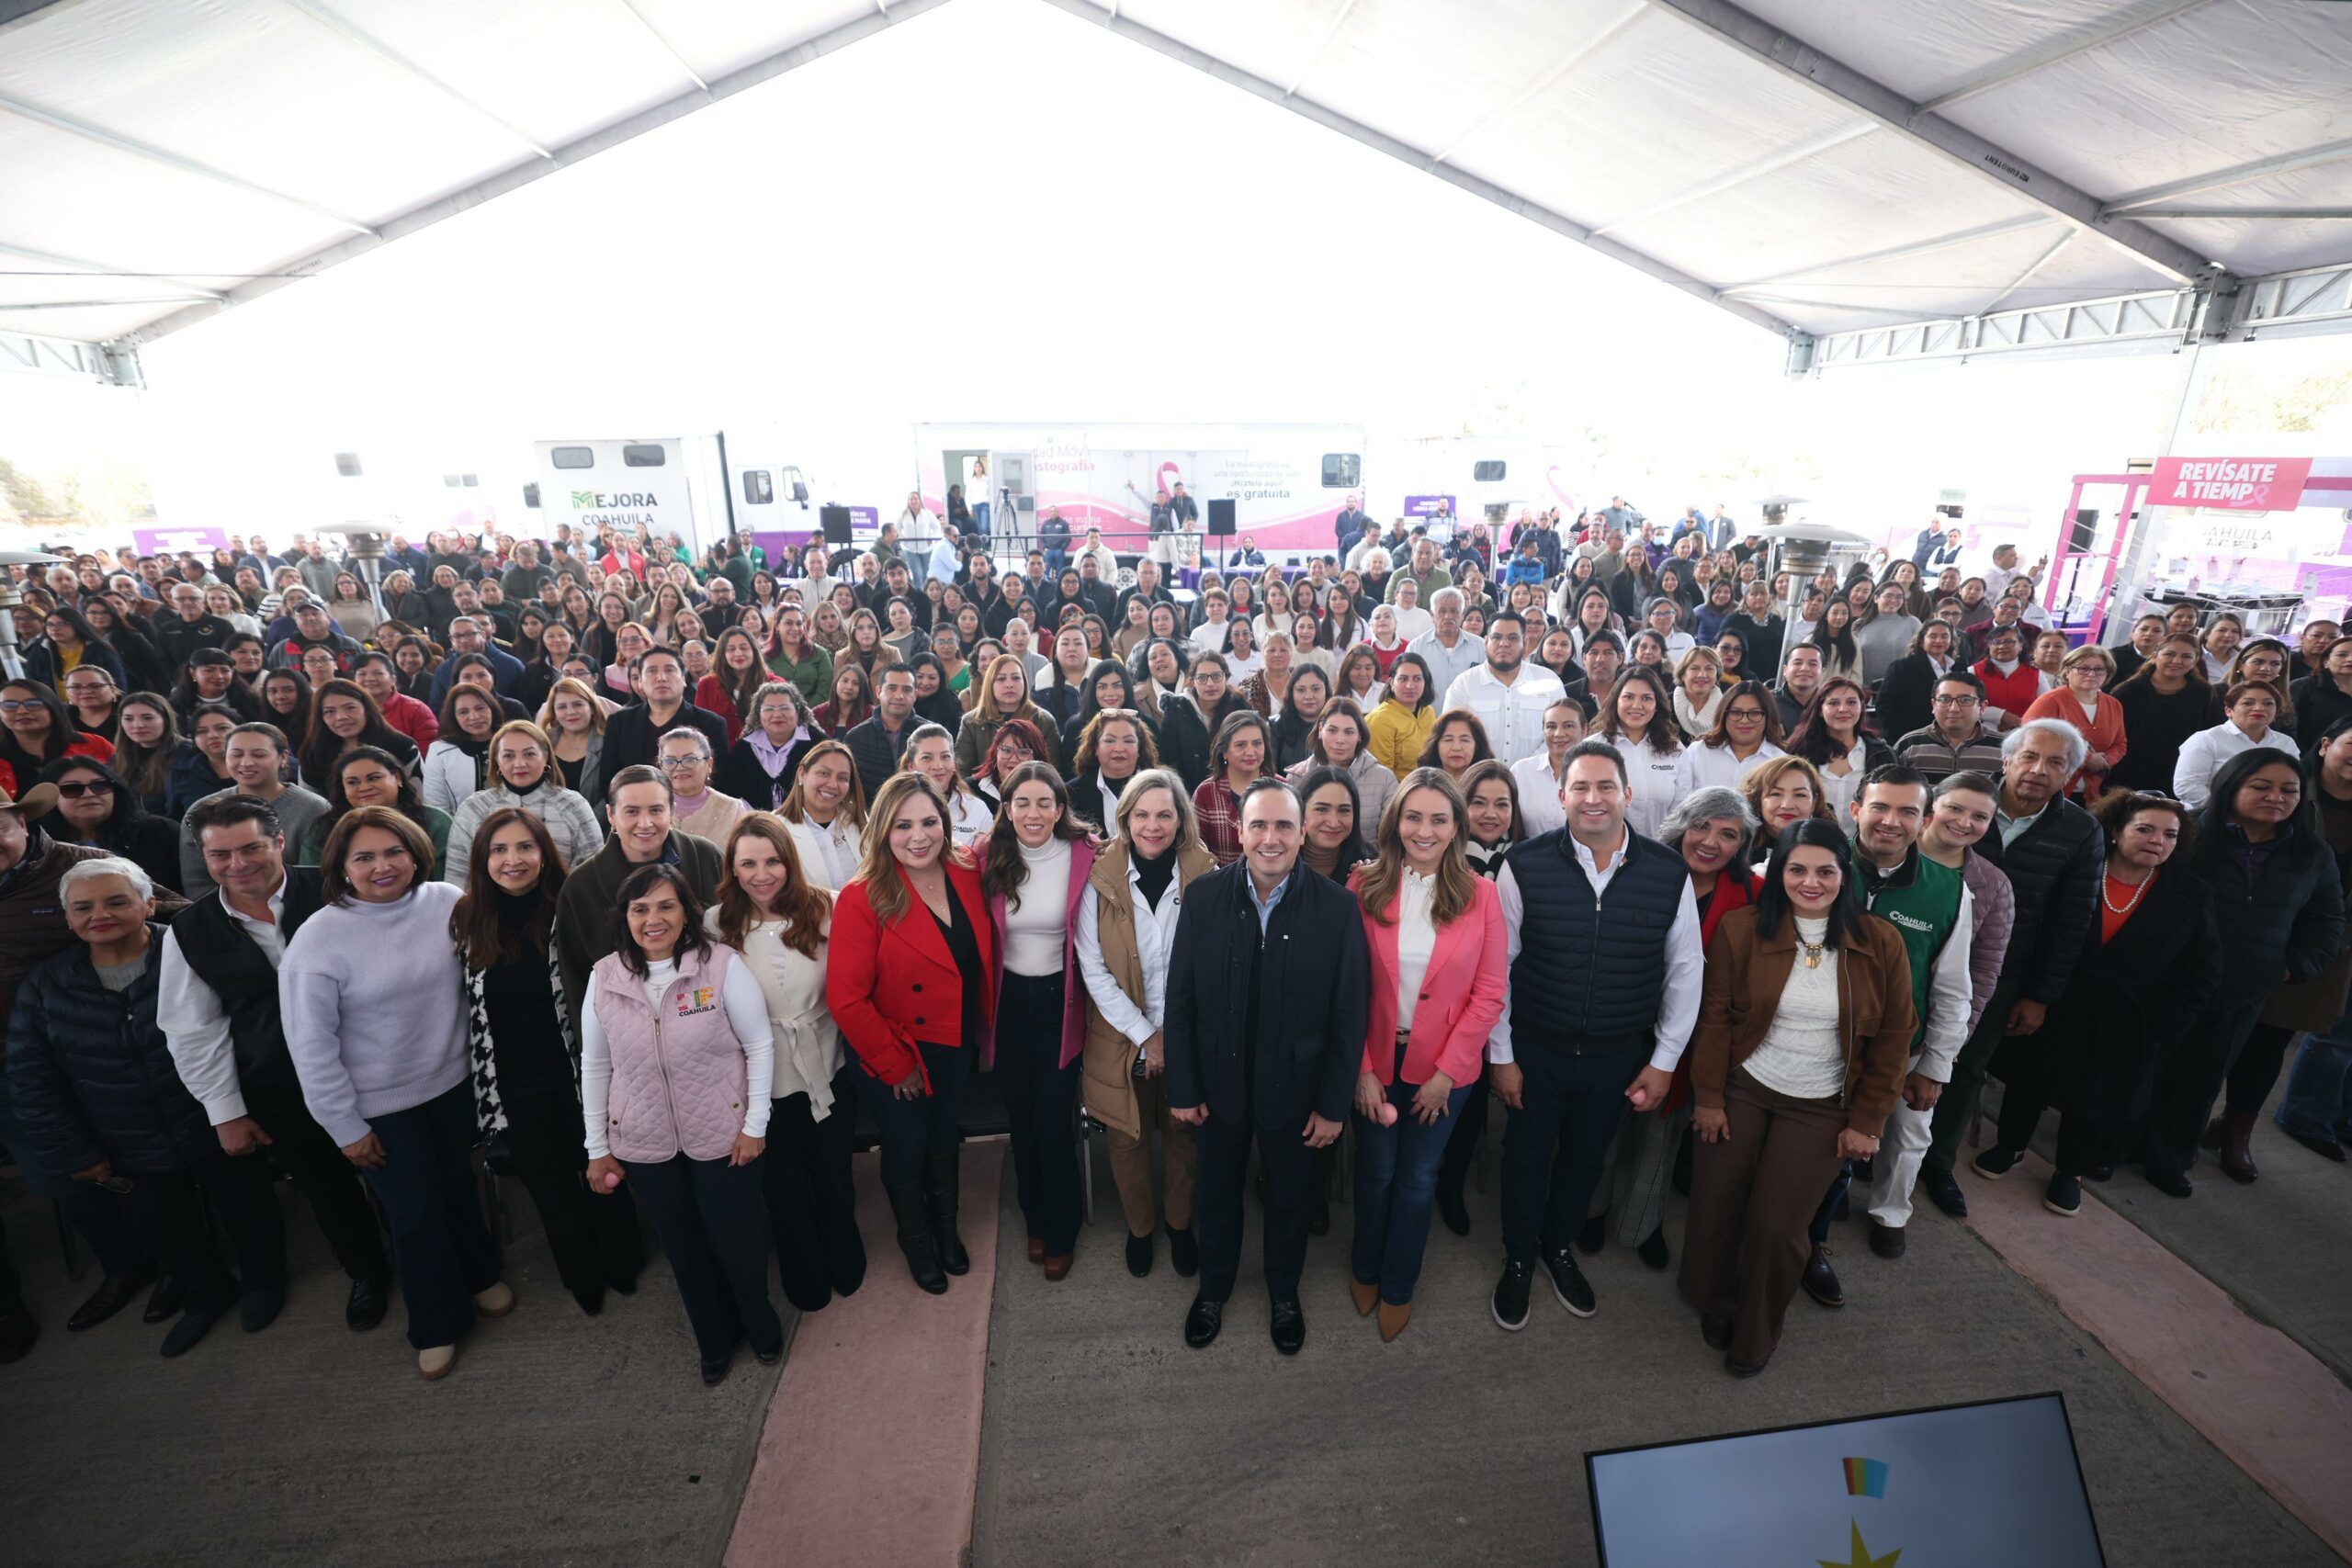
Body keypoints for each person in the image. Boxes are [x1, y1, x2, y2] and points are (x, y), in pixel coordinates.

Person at [1680, 819, 1917, 1374]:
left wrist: (1868, 1120)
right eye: (1797, 870)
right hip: (1744, 1088)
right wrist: (1709, 1096)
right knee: (1716, 1204)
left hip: (1822, 1104)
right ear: (1777, 871)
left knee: (1777, 1226)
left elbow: (1895, 1037)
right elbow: (1713, 1019)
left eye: (1825, 871)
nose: (1811, 883)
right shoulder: (1741, 930)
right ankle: (1714, 1300)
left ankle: (1756, 1331)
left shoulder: (1881, 942)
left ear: (1845, 876)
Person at [6, 856, 265, 1357]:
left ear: (148, 903)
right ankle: (207, 1296)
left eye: (117, 901)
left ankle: (264, 1285)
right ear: (67, 917)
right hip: (124, 1140)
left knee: (248, 1210)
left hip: (213, 1119)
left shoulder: (191, 948)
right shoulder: (45, 984)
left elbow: (251, 1028)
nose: (99, 914)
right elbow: (31, 1080)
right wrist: (76, 1153)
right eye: (84, 907)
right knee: (166, 1229)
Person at [280, 807, 506, 1379]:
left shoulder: (445, 901)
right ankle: (436, 1323)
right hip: (379, 1107)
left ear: (415, 852)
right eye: (364, 857)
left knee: (458, 1188)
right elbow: (310, 1046)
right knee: (413, 1215)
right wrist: (345, 1129)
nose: (382, 866)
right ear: (341, 865)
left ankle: (481, 1275)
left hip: (452, 1086)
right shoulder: (318, 939)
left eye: (393, 852)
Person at [1487, 740, 1703, 1329]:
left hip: (1616, 1054)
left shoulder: (1668, 872)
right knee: (1526, 1157)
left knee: (1586, 1161)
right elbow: (1498, 971)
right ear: (1560, 797)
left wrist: (1663, 1062)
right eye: (1580, 787)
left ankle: (1557, 1249)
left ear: (1627, 795)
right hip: (1535, 1049)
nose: (1593, 798)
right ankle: (1518, 1259)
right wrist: (1501, 1057)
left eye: (1606, 786)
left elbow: (1686, 971)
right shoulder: (1523, 865)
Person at [1165, 779, 1370, 1355]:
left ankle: (1284, 1293)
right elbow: (1179, 1001)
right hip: (1217, 1087)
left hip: (1298, 1094)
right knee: (1219, 1197)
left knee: (1290, 1200)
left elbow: (1348, 1016)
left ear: (1302, 832)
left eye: (1283, 826)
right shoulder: (1203, 897)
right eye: (1259, 825)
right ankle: (1213, 1291)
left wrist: (1333, 1106)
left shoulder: (1338, 907)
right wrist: (1182, 1086)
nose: (1271, 838)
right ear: (1240, 831)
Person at [580, 863, 780, 1382]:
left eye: (666, 905)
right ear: (624, 917)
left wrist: (754, 1124)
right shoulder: (604, 978)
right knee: (684, 1249)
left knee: (737, 1240)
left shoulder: (720, 967)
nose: (653, 919)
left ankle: (759, 1324)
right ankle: (713, 1341)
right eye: (640, 908)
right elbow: (596, 1065)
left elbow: (758, 1045)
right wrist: (596, 1145)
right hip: (645, 1144)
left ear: (686, 913)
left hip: (724, 1135)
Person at [1975, 792, 2220, 1215]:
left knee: (2097, 1098)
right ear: (2114, 830)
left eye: (2170, 835)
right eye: (2145, 829)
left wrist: (2165, 1026)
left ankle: (2070, 1172)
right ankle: (2011, 1146)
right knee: (2029, 1079)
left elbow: (2203, 971)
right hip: (2057, 1000)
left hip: (2130, 1020)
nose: (2157, 841)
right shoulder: (2081, 870)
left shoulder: (2192, 893)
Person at [448, 808, 643, 1316]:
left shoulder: (569, 904)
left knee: (603, 1168)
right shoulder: (466, 918)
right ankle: (581, 1274)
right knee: (549, 1185)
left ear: (544, 853)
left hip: (581, 1069)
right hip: (513, 1081)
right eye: (498, 850)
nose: (512, 860)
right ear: (481, 858)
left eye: (524, 848)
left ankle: (623, 1257)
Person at [1917, 719, 2104, 1215]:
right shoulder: (1967, 804)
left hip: (2001, 973)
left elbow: (2072, 922)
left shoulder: (2081, 831)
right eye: (2029, 757)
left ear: (2072, 773)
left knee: (1965, 1066)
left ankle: (1936, 1161)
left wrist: (2039, 994)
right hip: (1920, 953)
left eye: (2056, 763)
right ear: (2007, 760)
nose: (2039, 771)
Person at [1346, 770, 1507, 1340]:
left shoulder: (1482, 895)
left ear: (1457, 827)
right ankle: (1364, 1266)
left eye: (1439, 818)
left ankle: (1397, 1283)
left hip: (1446, 1073)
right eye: (1414, 816)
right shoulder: (1362, 886)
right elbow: (1346, 990)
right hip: (1373, 1066)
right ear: (1395, 823)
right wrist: (1362, 1069)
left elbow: (1490, 994)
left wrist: (1445, 1077)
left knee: (1417, 1178)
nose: (1425, 829)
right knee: (1375, 1172)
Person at [2143, 749, 2345, 1197]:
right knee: (2145, 1064)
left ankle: (2171, 1158)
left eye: (2289, 790)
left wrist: (2292, 968)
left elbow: (2328, 921)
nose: (2276, 797)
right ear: (2232, 785)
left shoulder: (2311, 854)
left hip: (2244, 988)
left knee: (2201, 1079)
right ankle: (2112, 1145)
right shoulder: (2189, 833)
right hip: (2169, 978)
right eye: (2261, 786)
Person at [827, 774, 994, 1294]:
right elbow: (846, 999)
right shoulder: (863, 896)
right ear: (883, 830)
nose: (918, 836)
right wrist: (894, 1065)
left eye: (928, 822)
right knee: (908, 1142)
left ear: (945, 825)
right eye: (903, 825)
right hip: (894, 1049)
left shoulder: (967, 869)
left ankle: (946, 1231)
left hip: (954, 1038)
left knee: (945, 1135)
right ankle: (916, 1240)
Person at [707, 815, 865, 1313]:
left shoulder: (828, 909)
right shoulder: (716, 924)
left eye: (772, 861)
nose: (762, 874)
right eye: (748, 863)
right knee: (784, 1184)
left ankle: (844, 1253)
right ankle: (804, 1271)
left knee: (833, 1172)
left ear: (789, 862)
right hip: (762, 1076)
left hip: (826, 1061)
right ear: (732, 868)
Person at [1827, 767, 1976, 1264]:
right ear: (1856, 810)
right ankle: (1827, 1203)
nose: (1891, 822)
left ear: (1924, 820)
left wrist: (1937, 1064)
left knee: (1908, 1134)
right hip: (1822, 1038)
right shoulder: (1818, 866)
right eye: (1879, 807)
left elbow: (1955, 989)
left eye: (1907, 812)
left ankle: (1890, 1213)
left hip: (1904, 1049)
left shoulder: (1950, 891)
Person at [1077, 769, 1215, 1279]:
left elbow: (1213, 967)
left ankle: (1179, 1226)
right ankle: (1140, 1230)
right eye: (1142, 815)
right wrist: (1147, 1037)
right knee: (1127, 1139)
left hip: (1188, 1035)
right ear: (1125, 819)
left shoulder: (1207, 873)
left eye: (1164, 814)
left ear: (1180, 819)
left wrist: (1173, 1038)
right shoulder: (1099, 877)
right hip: (1121, 1037)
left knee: (1184, 1134)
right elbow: (1093, 969)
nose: (1153, 825)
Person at [979, 763, 1096, 1280]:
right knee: (1022, 1122)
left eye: (1044, 803)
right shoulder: (985, 857)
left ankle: (1062, 1226)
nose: (1033, 813)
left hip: (1059, 1001)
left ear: (1059, 808)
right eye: (1022, 803)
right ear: (1007, 809)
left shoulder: (1085, 855)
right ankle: (1035, 1220)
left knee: (1053, 1122)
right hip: (1007, 1005)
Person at [553, 765, 725, 1027]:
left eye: (656, 810)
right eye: (631, 811)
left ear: (671, 812)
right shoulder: (580, 887)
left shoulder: (706, 857)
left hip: (709, 1021)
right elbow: (576, 982)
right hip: (626, 1033)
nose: (645, 823)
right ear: (611, 815)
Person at [176, 722, 328, 897]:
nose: (246, 763)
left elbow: (316, 875)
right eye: (236, 754)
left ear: (283, 757)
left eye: (259, 755)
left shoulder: (314, 807)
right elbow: (196, 881)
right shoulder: (202, 810)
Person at [442, 720, 601, 885]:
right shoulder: (473, 808)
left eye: (529, 754)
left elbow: (591, 874)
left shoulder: (573, 804)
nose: (519, 764)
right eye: (509, 756)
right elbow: (457, 878)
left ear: (546, 757)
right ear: (496, 760)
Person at [591, 647, 729, 801]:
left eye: (670, 670)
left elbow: (720, 780)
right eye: (652, 671)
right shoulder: (620, 722)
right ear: (640, 681)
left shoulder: (711, 723)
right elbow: (609, 780)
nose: (661, 677)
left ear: (683, 678)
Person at [1442, 612, 1566, 767]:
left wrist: (1527, 770)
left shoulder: (1549, 681)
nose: (1504, 644)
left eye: (1512, 638)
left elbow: (1562, 734)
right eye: (1497, 637)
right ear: (1486, 642)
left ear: (1525, 643)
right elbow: (1450, 737)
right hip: (1477, 780)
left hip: (1537, 779)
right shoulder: (1464, 685)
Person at [2023, 645, 2128, 798]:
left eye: (2099, 669)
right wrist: (2086, 760)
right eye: (2083, 668)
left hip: (2093, 793)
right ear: (2068, 671)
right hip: (2049, 790)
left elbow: (2120, 744)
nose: (2091, 674)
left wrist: (2104, 761)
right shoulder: (2050, 701)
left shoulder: (2114, 704)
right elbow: (2030, 741)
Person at [1595, 666, 1684, 840]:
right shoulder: (1593, 748)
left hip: (1661, 851)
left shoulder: (1676, 750)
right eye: (1628, 697)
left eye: (1647, 698)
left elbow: (1682, 809)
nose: (1637, 705)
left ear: (1657, 704)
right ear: (1616, 701)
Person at [2174, 680, 2283, 810]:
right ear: (2229, 711)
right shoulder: (2206, 739)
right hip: (2209, 817)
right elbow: (2186, 786)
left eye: (2268, 703)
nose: (2259, 708)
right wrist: (2232, 808)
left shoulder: (2285, 743)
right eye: (2248, 703)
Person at [1675, 680, 1787, 797]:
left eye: (1755, 713)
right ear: (1723, 715)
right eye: (1736, 713)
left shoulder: (1780, 762)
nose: (1744, 720)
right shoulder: (1699, 752)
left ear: (1768, 717)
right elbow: (1681, 803)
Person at [1192, 710, 1273, 867]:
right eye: (1241, 745)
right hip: (1221, 883)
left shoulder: (1282, 790)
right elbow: (1195, 850)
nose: (1250, 752)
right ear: (1224, 752)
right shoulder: (1206, 793)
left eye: (1257, 743)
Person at [1893, 671, 2006, 783]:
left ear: (1982, 707)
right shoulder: (1909, 745)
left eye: (1965, 700)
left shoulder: (2003, 748)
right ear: (1933, 705)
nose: (1954, 708)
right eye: (1944, 700)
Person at [1065, 706, 1157, 833]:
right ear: (1096, 747)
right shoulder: (1072, 793)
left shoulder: (1162, 789)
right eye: (1110, 740)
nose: (1119, 748)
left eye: (1128, 741)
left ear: (1139, 748)